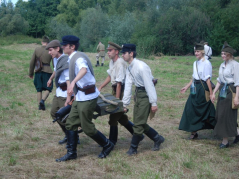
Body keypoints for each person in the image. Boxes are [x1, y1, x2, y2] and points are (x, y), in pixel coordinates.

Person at [56, 35, 114, 162]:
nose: (62, 47)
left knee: (87, 127)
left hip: (87, 98)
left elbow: (83, 69)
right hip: (80, 97)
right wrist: (70, 96)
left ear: (72, 46)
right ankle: (72, 153)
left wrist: (72, 83)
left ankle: (107, 144)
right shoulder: (72, 58)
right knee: (70, 124)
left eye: (65, 45)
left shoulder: (78, 58)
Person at [121, 44, 164, 156]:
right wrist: (125, 104)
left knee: (138, 124)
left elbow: (150, 85)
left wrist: (153, 102)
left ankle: (133, 148)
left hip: (146, 95)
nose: (122, 55)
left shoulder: (141, 66)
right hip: (138, 94)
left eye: (124, 53)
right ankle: (157, 138)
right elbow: (128, 86)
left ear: (131, 53)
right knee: (138, 122)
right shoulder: (129, 67)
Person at [98, 41, 135, 145]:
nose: (108, 53)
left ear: (117, 52)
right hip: (114, 90)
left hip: (120, 91)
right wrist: (101, 86)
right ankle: (138, 134)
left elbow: (119, 83)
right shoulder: (112, 62)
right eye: (108, 51)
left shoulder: (120, 63)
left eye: (110, 51)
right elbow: (110, 76)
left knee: (113, 118)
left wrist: (117, 101)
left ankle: (112, 141)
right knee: (121, 118)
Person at [179, 42, 216, 139]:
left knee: (206, 111)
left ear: (202, 52)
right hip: (195, 89)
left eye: (198, 51)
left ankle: (222, 129)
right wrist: (186, 87)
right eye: (195, 51)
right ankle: (193, 132)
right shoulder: (195, 63)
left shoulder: (206, 63)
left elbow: (208, 79)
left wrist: (211, 94)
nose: (196, 53)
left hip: (203, 89)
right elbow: (194, 78)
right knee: (190, 109)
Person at [46, 40, 80, 145]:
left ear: (57, 49)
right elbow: (56, 70)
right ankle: (68, 135)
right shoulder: (57, 59)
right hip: (59, 92)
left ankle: (73, 138)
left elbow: (68, 79)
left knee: (67, 118)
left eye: (51, 50)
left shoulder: (64, 60)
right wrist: (51, 79)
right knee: (54, 113)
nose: (49, 53)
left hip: (66, 93)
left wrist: (69, 97)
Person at [212, 41, 239, 148]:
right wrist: (213, 93)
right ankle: (237, 132)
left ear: (229, 54)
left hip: (231, 91)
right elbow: (219, 80)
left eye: (225, 54)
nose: (222, 56)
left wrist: (237, 97)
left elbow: (238, 82)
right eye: (222, 54)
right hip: (222, 91)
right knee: (220, 114)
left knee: (226, 115)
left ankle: (225, 141)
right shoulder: (222, 65)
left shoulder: (235, 65)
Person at [29, 36, 53, 110]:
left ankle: (40, 105)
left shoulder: (37, 49)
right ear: (48, 43)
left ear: (42, 42)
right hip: (48, 71)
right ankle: (42, 100)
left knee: (39, 89)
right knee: (48, 88)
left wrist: (31, 73)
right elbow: (54, 63)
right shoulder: (50, 50)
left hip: (38, 71)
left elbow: (32, 62)